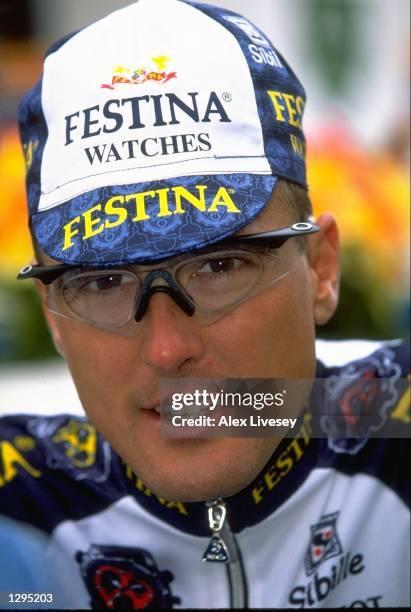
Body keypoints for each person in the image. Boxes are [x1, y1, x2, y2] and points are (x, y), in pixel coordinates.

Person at [0, 0, 409, 609]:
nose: (168, 348)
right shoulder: (19, 503)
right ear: (52, 315)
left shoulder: (393, 428)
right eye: (102, 283)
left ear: (321, 269)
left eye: (221, 266)